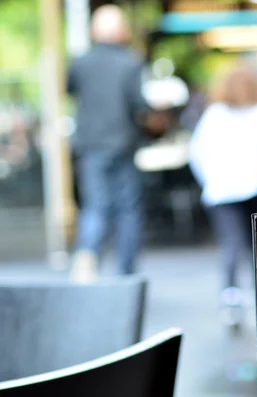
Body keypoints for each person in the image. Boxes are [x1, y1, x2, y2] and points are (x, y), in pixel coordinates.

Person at [188, 65, 257, 329]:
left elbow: (197, 153)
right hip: (255, 187)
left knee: (231, 245)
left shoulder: (214, 116)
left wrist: (209, 180)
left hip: (221, 190)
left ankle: (232, 299)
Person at [67, 5, 150, 282]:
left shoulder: (81, 63)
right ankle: (126, 271)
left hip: (91, 145)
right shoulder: (130, 63)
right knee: (128, 209)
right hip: (122, 144)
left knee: (95, 205)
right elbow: (140, 104)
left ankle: (86, 259)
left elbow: (71, 90)